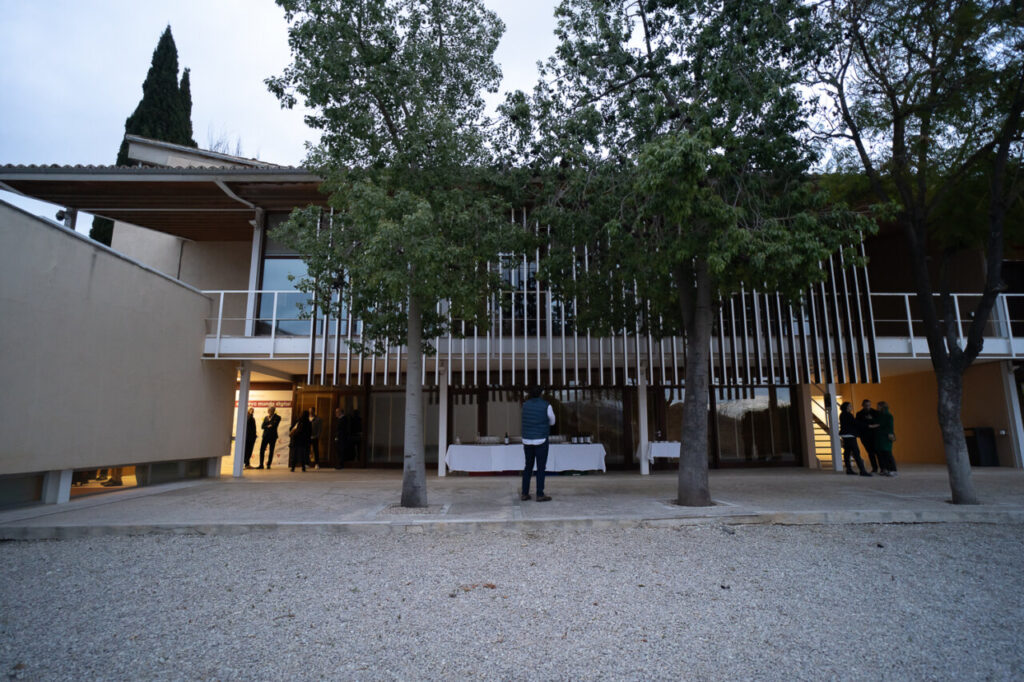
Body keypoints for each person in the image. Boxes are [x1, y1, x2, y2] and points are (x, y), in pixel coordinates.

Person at [521, 385, 556, 501]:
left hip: (527, 439)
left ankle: (524, 493)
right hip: (541, 439)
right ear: (541, 394)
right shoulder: (546, 405)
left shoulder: (525, 405)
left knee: (528, 467)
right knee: (541, 467)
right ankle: (540, 494)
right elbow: (552, 421)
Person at [840, 401, 871, 477]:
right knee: (856, 453)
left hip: (845, 435)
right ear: (847, 407)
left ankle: (849, 469)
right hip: (850, 436)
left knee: (847, 453)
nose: (851, 407)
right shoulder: (848, 415)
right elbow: (855, 423)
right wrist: (867, 425)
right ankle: (862, 471)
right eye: (850, 406)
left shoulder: (842, 414)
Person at [855, 399, 881, 473]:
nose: (867, 407)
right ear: (862, 405)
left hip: (875, 435)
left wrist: (871, 420)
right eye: (866, 405)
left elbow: (879, 423)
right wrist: (868, 425)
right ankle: (874, 468)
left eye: (869, 405)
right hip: (865, 436)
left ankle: (883, 468)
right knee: (870, 452)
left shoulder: (875, 412)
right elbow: (858, 424)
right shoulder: (859, 414)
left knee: (878, 452)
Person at [876, 401, 898, 477]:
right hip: (880, 437)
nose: (877, 408)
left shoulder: (888, 416)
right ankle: (886, 469)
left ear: (882, 407)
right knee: (882, 454)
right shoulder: (879, 415)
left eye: (878, 406)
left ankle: (893, 470)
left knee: (888, 453)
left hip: (886, 437)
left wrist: (890, 434)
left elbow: (890, 426)